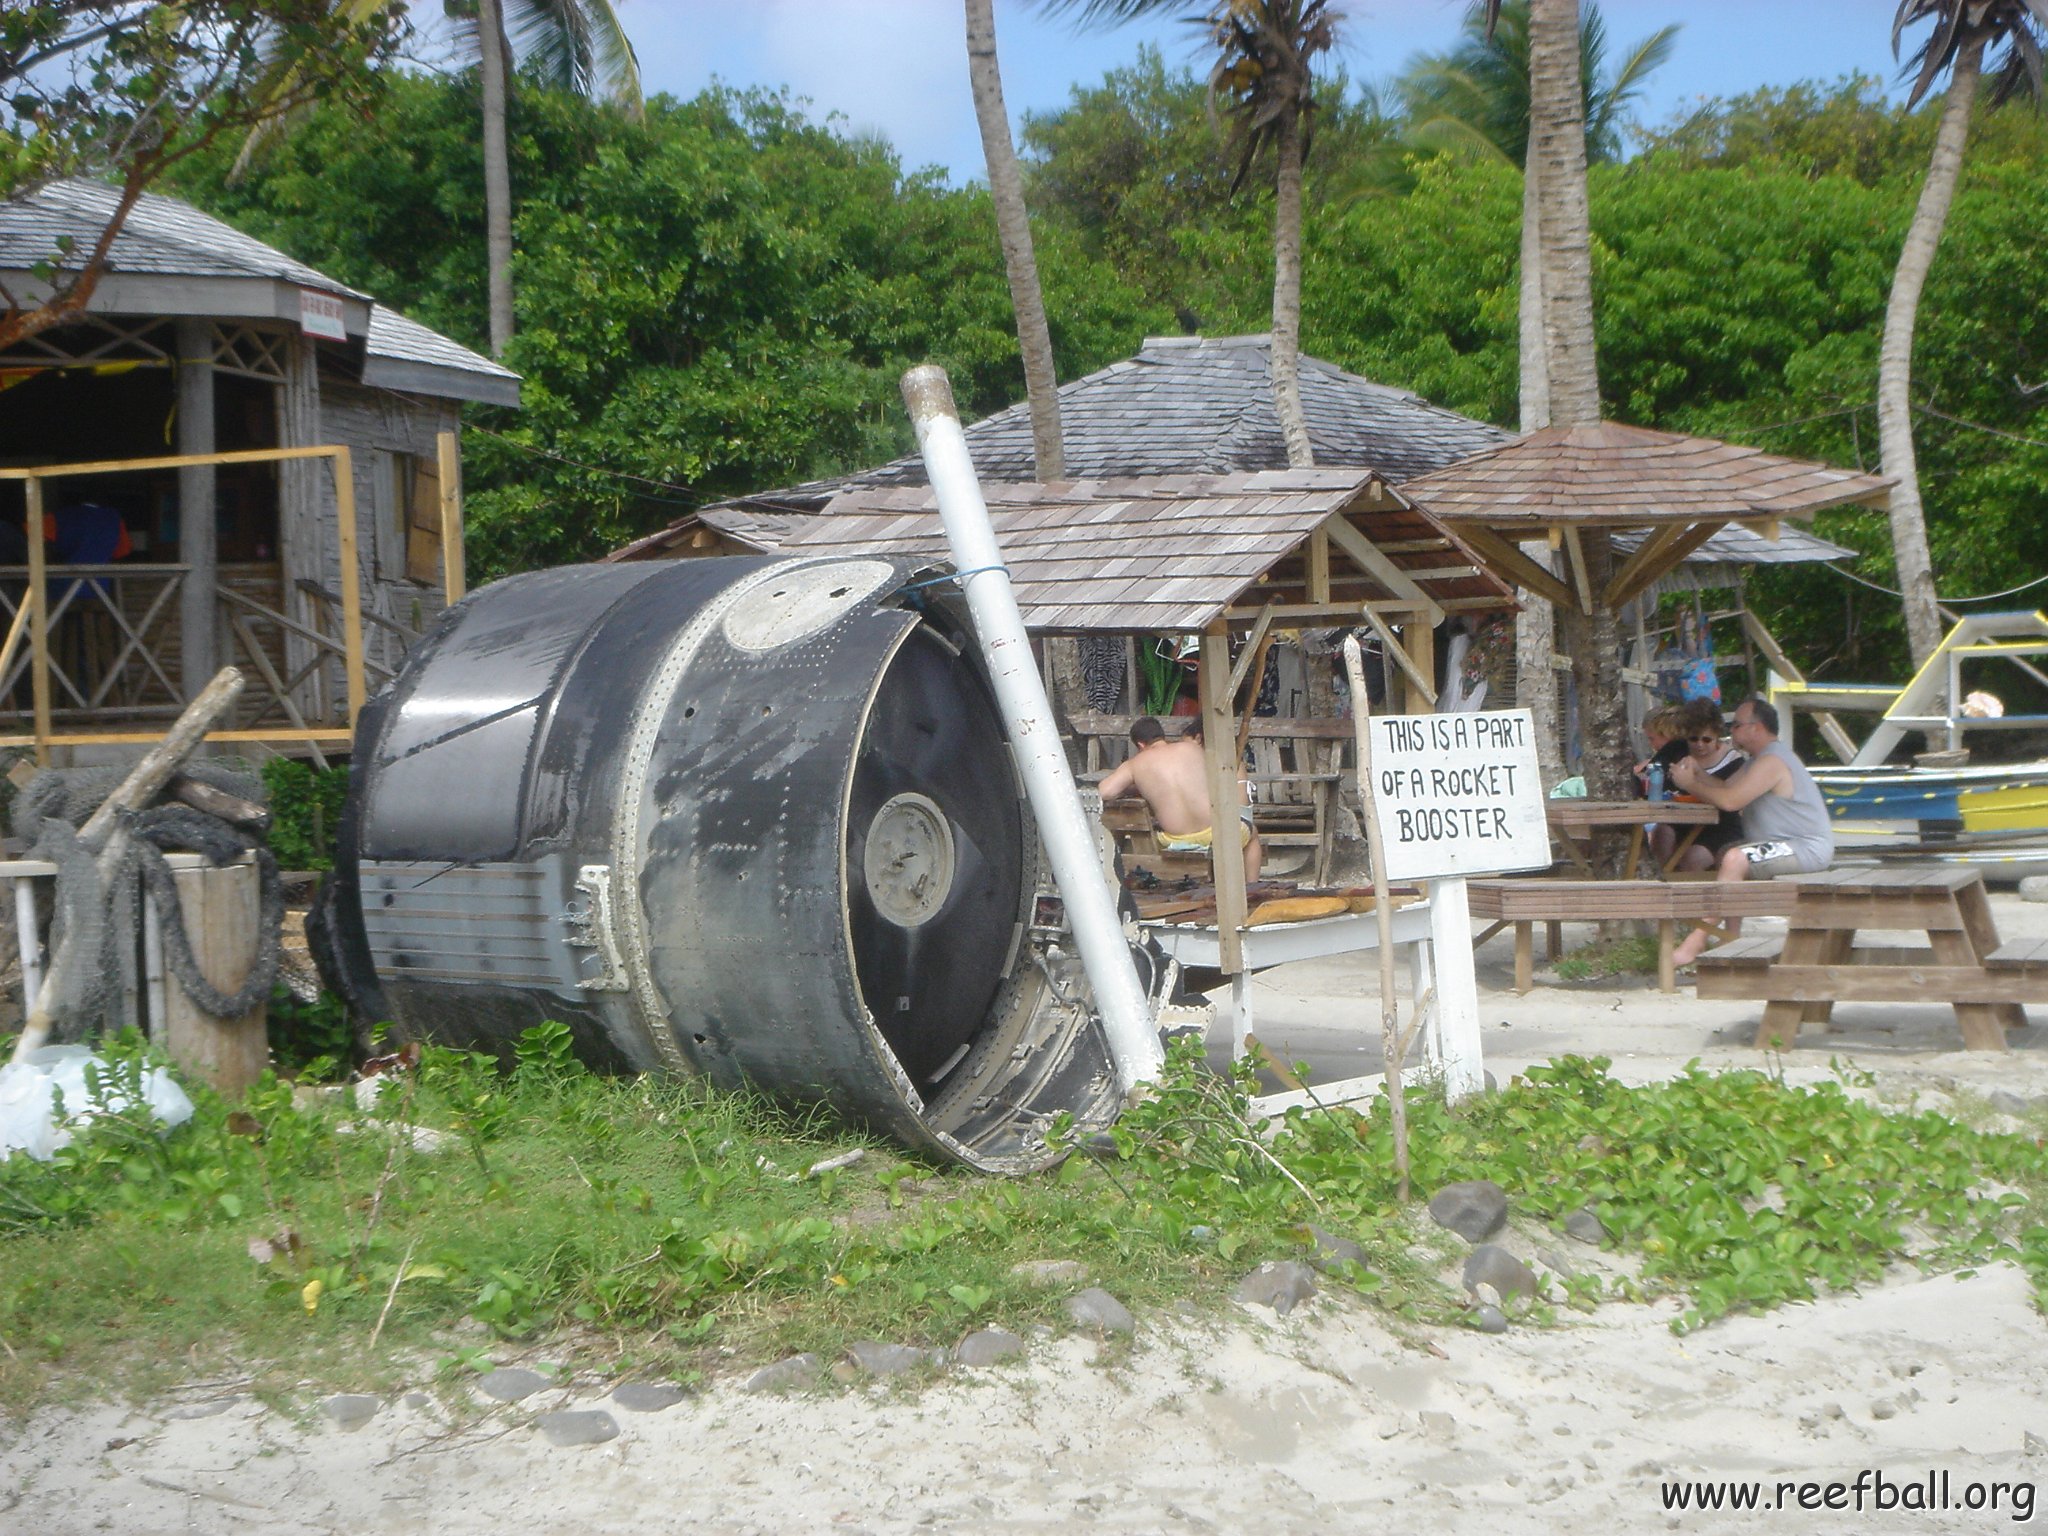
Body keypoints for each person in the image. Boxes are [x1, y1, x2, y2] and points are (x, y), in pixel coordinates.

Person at [1670, 696, 1833, 965]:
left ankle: (1696, 941)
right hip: (1786, 845)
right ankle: (1729, 942)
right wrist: (1698, 774)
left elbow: (1731, 802)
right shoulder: (1758, 761)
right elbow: (1725, 788)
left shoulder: (1772, 762)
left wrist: (1690, 785)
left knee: (1737, 857)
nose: (1730, 731)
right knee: (1727, 855)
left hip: (1805, 847)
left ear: (1755, 728)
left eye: (1736, 726)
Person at [1098, 716, 1263, 883]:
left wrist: (1134, 785)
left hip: (1177, 840)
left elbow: (1104, 792)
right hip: (1217, 832)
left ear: (1140, 745)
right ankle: (1252, 887)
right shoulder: (1192, 748)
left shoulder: (1134, 764)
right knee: (1252, 834)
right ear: (1162, 735)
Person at [1658, 699, 1746, 873]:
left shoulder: (1733, 760)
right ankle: (1658, 881)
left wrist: (1695, 777)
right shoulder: (1675, 750)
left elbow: (1728, 792)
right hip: (1679, 822)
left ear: (1717, 736)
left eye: (1707, 740)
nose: (1699, 745)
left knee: (1692, 858)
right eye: (1693, 739)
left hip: (1719, 827)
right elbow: (1651, 773)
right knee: (1662, 833)